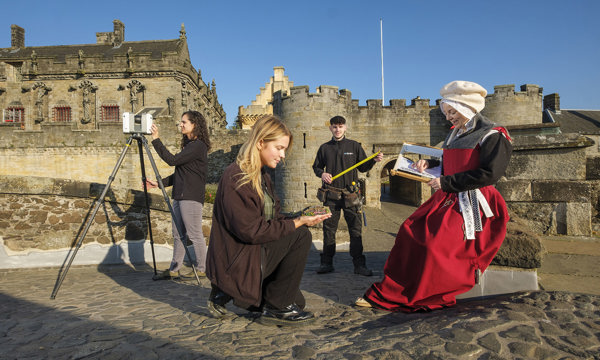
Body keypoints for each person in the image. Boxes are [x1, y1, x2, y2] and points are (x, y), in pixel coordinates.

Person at [356, 80, 513, 312]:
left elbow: (489, 173)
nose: (449, 117)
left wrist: (446, 182)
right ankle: (398, 288)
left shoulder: (493, 134)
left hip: (473, 201)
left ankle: (427, 292)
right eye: (446, 112)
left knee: (434, 244)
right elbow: (449, 161)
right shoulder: (455, 134)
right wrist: (428, 162)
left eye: (452, 111)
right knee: (409, 230)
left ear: (467, 107)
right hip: (449, 197)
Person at [206, 115, 331, 326]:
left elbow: (274, 218)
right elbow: (251, 231)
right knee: (300, 235)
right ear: (260, 142)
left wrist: (302, 216)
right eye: (279, 148)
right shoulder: (237, 176)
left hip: (252, 253)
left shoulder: (262, 176)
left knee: (295, 301)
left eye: (285, 149)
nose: (283, 156)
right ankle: (267, 303)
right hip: (238, 260)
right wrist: (298, 223)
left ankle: (246, 296)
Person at [312, 116, 383, 276]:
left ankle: (359, 266)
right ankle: (326, 263)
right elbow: (316, 167)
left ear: (345, 128)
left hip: (351, 195)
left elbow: (364, 167)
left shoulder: (354, 146)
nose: (337, 129)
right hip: (331, 195)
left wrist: (374, 161)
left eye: (340, 126)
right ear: (330, 128)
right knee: (329, 230)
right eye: (334, 127)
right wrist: (322, 174)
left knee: (355, 230)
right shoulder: (324, 148)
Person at [145, 110, 210, 280]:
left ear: (194, 124)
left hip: (191, 197)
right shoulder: (190, 147)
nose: (180, 125)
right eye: (181, 122)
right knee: (178, 234)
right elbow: (180, 174)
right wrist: (159, 184)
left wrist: (156, 139)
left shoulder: (198, 146)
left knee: (194, 233)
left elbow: (172, 161)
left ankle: (203, 268)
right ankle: (174, 269)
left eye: (184, 122)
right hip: (180, 195)